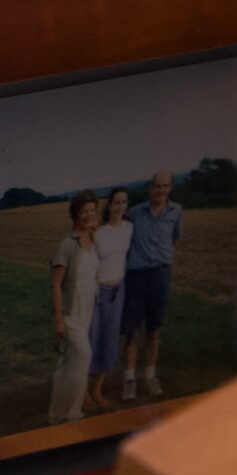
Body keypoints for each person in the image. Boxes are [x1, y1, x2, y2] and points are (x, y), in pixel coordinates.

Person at [119, 168, 182, 400]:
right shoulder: (135, 213)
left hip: (160, 276)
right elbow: (117, 230)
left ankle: (150, 376)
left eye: (166, 186)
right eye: (158, 186)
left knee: (154, 331)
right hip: (136, 278)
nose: (161, 191)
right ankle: (129, 380)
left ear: (171, 188)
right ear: (151, 187)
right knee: (131, 332)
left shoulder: (177, 212)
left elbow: (174, 239)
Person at [48, 191, 102, 426]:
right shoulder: (66, 245)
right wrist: (58, 319)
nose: (88, 215)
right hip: (71, 314)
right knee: (84, 356)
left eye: (92, 210)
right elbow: (56, 285)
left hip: (87, 311)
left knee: (67, 364)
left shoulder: (92, 239)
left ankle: (58, 415)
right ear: (75, 215)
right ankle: (72, 414)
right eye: (84, 211)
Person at [85, 188, 132, 414]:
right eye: (116, 202)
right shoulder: (98, 232)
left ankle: (97, 390)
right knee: (91, 341)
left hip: (118, 291)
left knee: (110, 341)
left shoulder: (130, 228)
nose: (120, 206)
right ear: (109, 205)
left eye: (124, 202)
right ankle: (83, 392)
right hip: (99, 292)